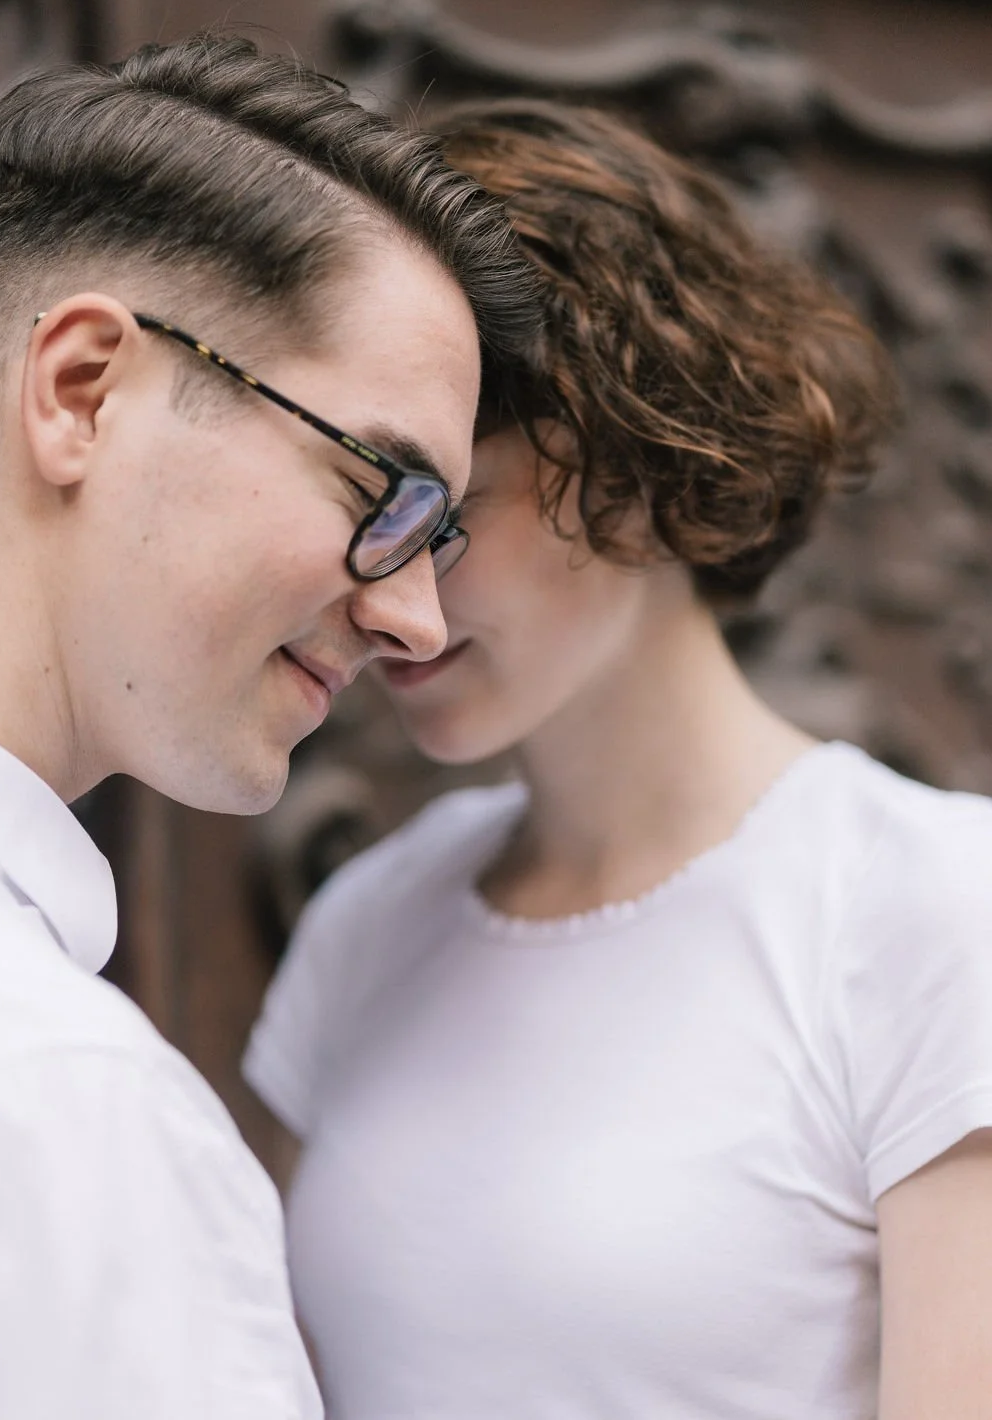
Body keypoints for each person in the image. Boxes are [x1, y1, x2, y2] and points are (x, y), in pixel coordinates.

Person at [245, 99, 992, 1419]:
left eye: (445, 516)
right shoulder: (369, 922)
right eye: (362, 513)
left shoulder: (931, 909)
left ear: (642, 461)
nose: (386, 590)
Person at [0, 39, 540, 1419]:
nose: (417, 616)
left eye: (440, 532)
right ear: (81, 390)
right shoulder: (65, 1111)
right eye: (387, 491)